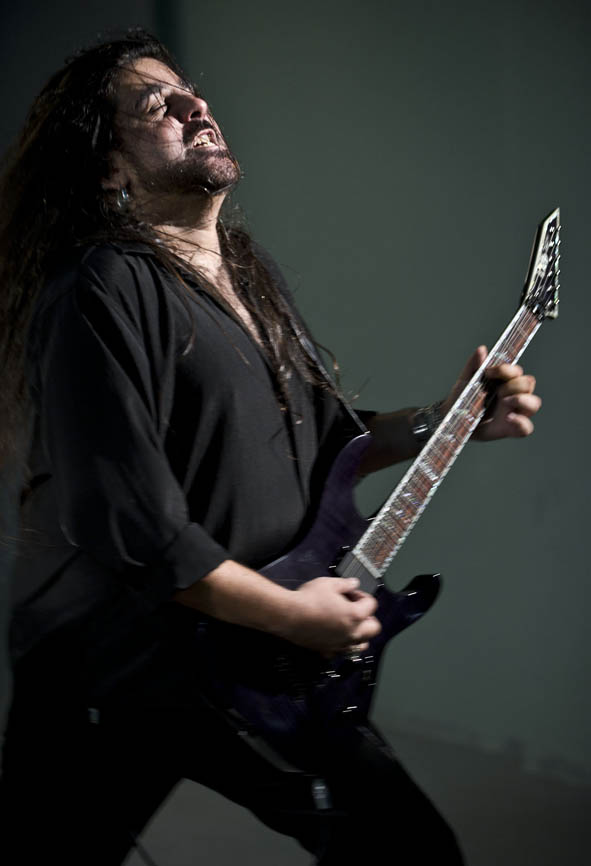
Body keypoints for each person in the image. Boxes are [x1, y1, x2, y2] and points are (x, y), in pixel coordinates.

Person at [0, 31, 541, 866]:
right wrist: (293, 615)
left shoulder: (250, 279)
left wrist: (448, 418)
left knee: (409, 849)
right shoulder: (101, 286)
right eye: (158, 105)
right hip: (112, 665)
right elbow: (131, 518)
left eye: (192, 92)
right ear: (109, 168)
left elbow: (327, 440)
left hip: (243, 655)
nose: (196, 106)